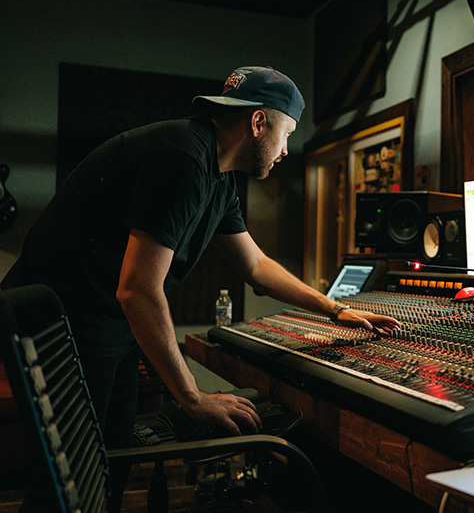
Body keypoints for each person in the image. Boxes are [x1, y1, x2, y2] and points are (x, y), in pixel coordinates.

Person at [1, 66, 400, 511]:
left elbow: (256, 265)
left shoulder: (218, 175)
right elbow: (137, 290)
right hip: (65, 324)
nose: (286, 150)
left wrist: (335, 309)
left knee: (110, 467)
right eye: (286, 133)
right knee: (70, 482)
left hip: (107, 324)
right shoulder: (183, 158)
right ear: (257, 122)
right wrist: (191, 397)